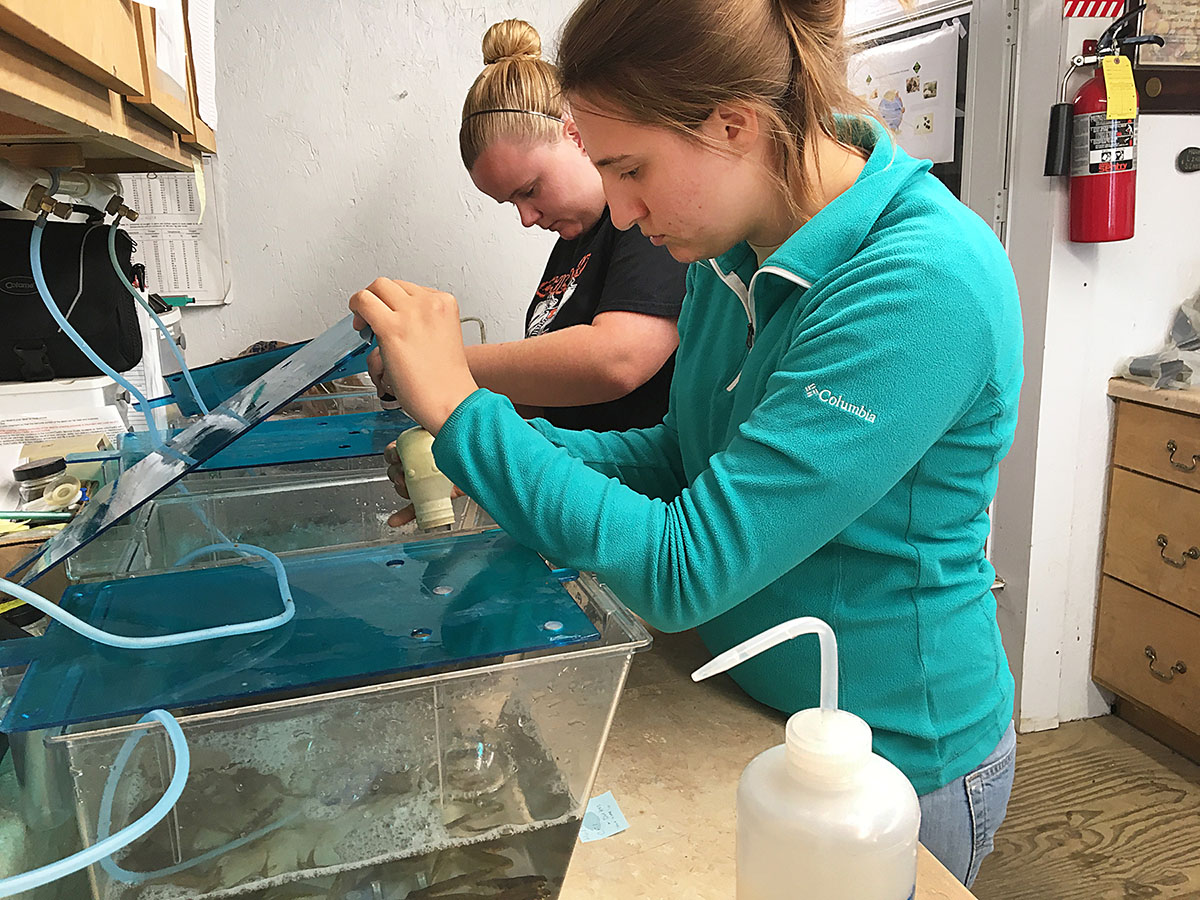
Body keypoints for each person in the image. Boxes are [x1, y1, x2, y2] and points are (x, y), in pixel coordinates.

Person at [351, 0, 1022, 886]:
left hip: (884, 760)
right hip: (751, 705)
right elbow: (680, 457)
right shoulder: (731, 252)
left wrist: (466, 412)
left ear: (734, 125)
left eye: (631, 169)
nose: (622, 214)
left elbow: (685, 567)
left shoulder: (920, 283)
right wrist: (485, 455)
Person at [374, 19, 685, 434]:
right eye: (510, 204)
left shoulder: (645, 226)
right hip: (574, 482)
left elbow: (617, 359)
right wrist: (461, 452)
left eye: (531, 190)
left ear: (575, 136)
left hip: (641, 491)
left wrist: (432, 360)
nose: (525, 218)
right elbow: (545, 402)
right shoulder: (570, 247)